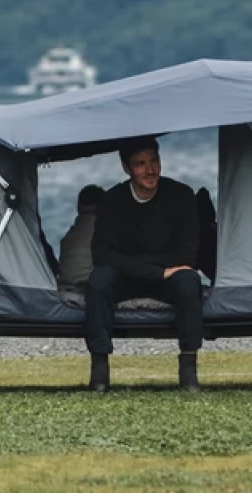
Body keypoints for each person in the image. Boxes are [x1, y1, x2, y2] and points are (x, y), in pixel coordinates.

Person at [84, 137, 204, 392]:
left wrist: (145, 266)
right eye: (140, 164)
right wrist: (156, 271)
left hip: (166, 278)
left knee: (189, 280)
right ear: (126, 168)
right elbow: (102, 254)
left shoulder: (181, 196)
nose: (150, 170)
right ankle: (99, 372)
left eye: (154, 161)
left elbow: (188, 253)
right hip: (134, 278)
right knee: (99, 280)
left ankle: (188, 370)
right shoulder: (113, 200)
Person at [57, 185, 106, 294]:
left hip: (65, 287)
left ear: (79, 207)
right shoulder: (106, 231)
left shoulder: (69, 237)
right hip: (89, 289)